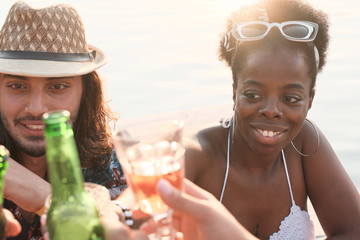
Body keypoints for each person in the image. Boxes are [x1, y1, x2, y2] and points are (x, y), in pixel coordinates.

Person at [184, 0, 360, 239]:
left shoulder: (305, 142)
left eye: (290, 98)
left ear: (310, 100)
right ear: (234, 91)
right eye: (253, 95)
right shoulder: (198, 153)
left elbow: (353, 230)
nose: (271, 110)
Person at [0, 1, 127, 239]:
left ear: (85, 93)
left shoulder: (109, 167)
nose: (37, 109)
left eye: (57, 86)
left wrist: (43, 196)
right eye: (17, 86)